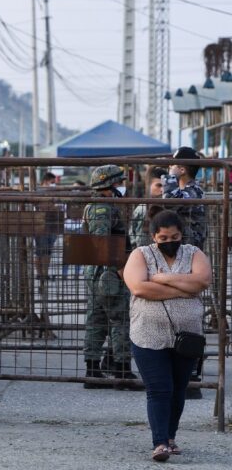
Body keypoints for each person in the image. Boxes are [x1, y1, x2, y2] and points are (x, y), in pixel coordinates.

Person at [122, 210, 211, 462]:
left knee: (178, 388)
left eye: (174, 237)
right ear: (154, 237)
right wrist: (184, 288)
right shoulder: (140, 255)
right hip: (148, 335)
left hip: (187, 337)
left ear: (181, 235)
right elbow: (139, 287)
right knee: (159, 389)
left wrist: (162, 278)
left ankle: (171, 437)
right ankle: (160, 442)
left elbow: (203, 281)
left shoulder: (194, 253)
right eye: (163, 238)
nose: (169, 241)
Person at [82, 164, 138, 388]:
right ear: (109, 184)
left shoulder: (101, 205)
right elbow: (101, 243)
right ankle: (122, 370)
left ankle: (93, 370)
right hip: (108, 272)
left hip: (100, 271)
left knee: (96, 319)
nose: (122, 186)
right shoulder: (102, 208)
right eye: (119, 182)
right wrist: (118, 268)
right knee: (120, 319)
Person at [163, 147, 206, 400]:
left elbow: (169, 201)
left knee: (190, 315)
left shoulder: (193, 190)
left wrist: (170, 177)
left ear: (182, 168)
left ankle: (192, 376)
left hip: (191, 260)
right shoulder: (186, 189)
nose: (170, 167)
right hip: (182, 258)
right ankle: (180, 373)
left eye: (174, 164)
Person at [130, 166, 168, 248]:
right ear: (148, 185)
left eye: (165, 186)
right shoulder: (143, 209)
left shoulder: (167, 206)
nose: (162, 190)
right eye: (159, 185)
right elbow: (141, 242)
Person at [34, 172, 59, 282]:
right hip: (41, 223)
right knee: (40, 251)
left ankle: (45, 273)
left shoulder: (52, 191)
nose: (53, 184)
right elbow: (42, 206)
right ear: (46, 180)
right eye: (52, 182)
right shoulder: (39, 190)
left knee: (48, 251)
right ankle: (40, 274)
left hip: (52, 223)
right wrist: (53, 207)